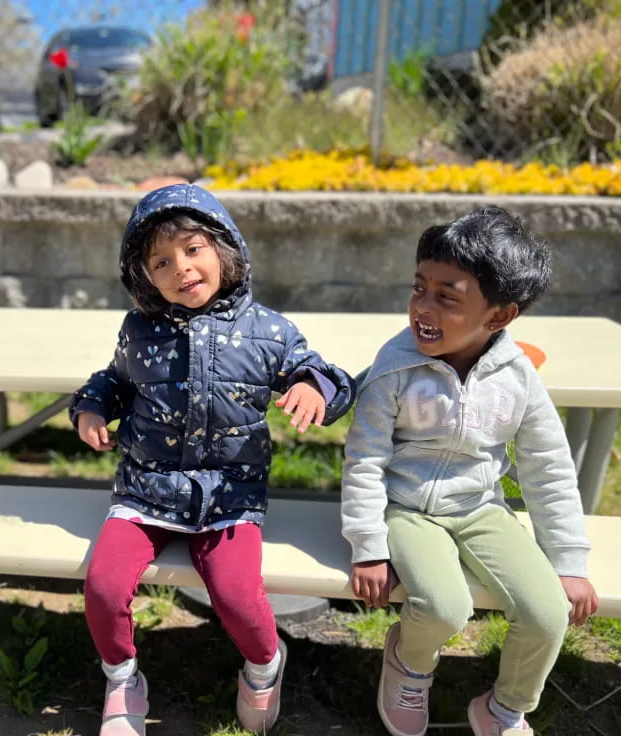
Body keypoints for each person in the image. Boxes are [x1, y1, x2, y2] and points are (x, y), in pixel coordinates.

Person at [70, 183, 356, 735]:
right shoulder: (140, 330)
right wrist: (90, 409)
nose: (182, 268)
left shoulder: (268, 330)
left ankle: (265, 665)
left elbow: (321, 371)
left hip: (229, 494)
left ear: (224, 248)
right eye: (162, 261)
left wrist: (314, 387)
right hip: (145, 489)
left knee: (236, 595)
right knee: (104, 587)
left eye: (193, 249)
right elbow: (112, 381)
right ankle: (122, 677)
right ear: (145, 277)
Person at [340, 206, 599, 736]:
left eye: (447, 296)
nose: (423, 307)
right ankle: (409, 665)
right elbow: (364, 459)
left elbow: (548, 468)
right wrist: (368, 544)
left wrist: (568, 561)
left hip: (481, 508)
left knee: (548, 613)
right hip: (406, 510)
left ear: (499, 317)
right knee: (443, 606)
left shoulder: (518, 379)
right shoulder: (395, 367)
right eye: (419, 288)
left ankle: (504, 708)